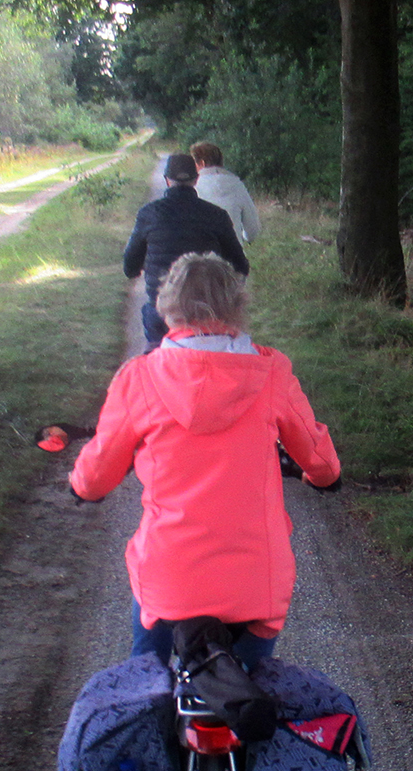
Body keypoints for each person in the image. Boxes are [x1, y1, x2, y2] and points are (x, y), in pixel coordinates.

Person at [70, 253, 341, 669]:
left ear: (167, 305)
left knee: (145, 680)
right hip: (254, 586)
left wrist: (81, 486)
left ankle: (150, 700)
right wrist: (321, 476)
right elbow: (320, 459)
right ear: (238, 303)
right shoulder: (272, 372)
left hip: (170, 582)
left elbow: (96, 475)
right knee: (252, 687)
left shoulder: (139, 378)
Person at [123, 152, 250, 348]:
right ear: (196, 179)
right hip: (207, 312)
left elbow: (130, 267)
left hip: (163, 310)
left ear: (167, 180)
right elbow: (240, 266)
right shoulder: (216, 215)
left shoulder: (148, 214)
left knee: (157, 360)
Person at [189, 140, 261, 246]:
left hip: (201, 257)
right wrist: (243, 237)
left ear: (202, 163)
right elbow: (253, 228)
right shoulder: (237, 185)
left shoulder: (192, 189)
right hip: (232, 257)